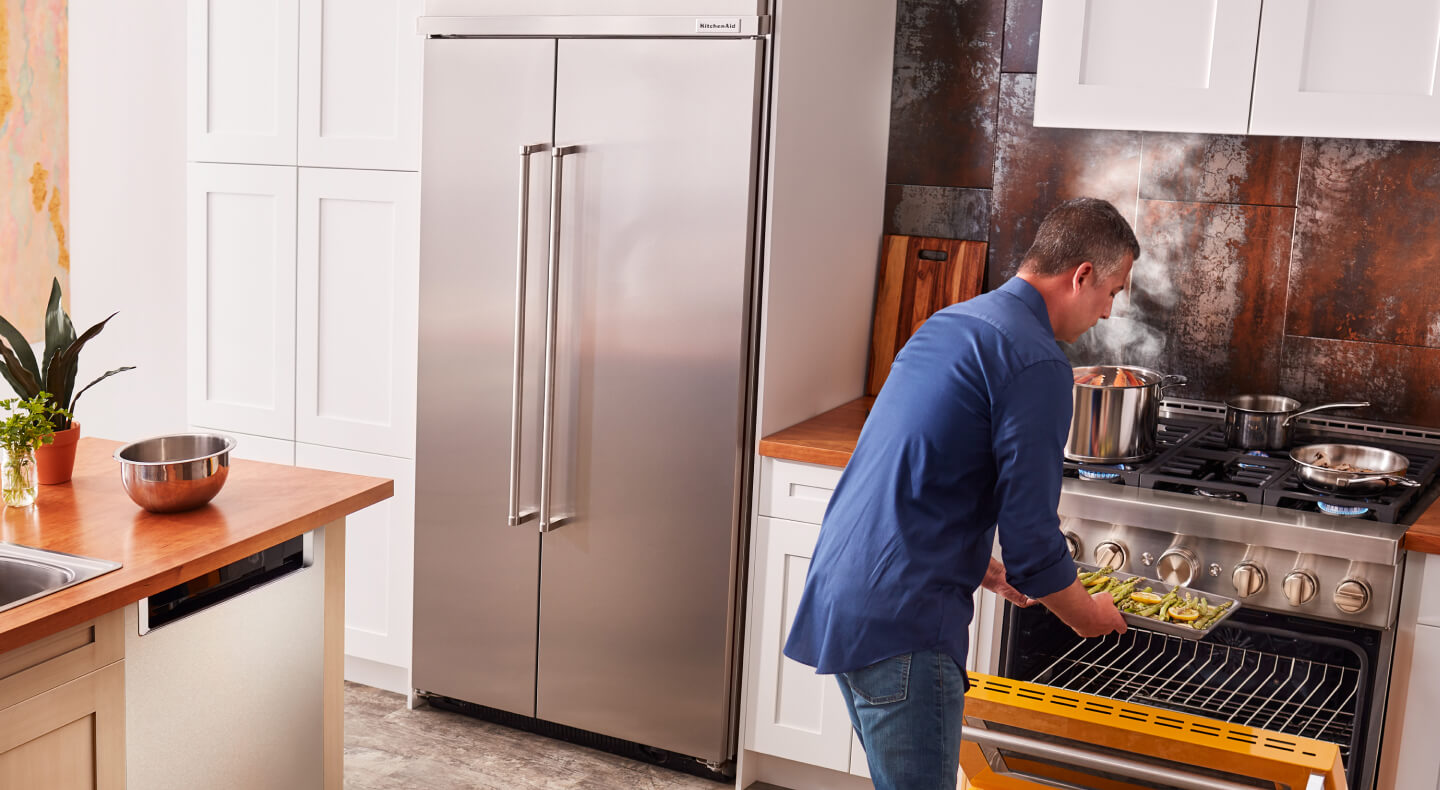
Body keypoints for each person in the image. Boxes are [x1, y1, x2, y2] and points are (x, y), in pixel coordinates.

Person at [783, 197, 1138, 790]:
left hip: (845, 595)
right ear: (1080, 276)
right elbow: (1032, 542)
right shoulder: (1038, 363)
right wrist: (1087, 617)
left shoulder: (954, 321)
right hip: (907, 624)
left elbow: (915, 468)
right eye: (1112, 291)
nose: (1107, 311)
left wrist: (976, 562)